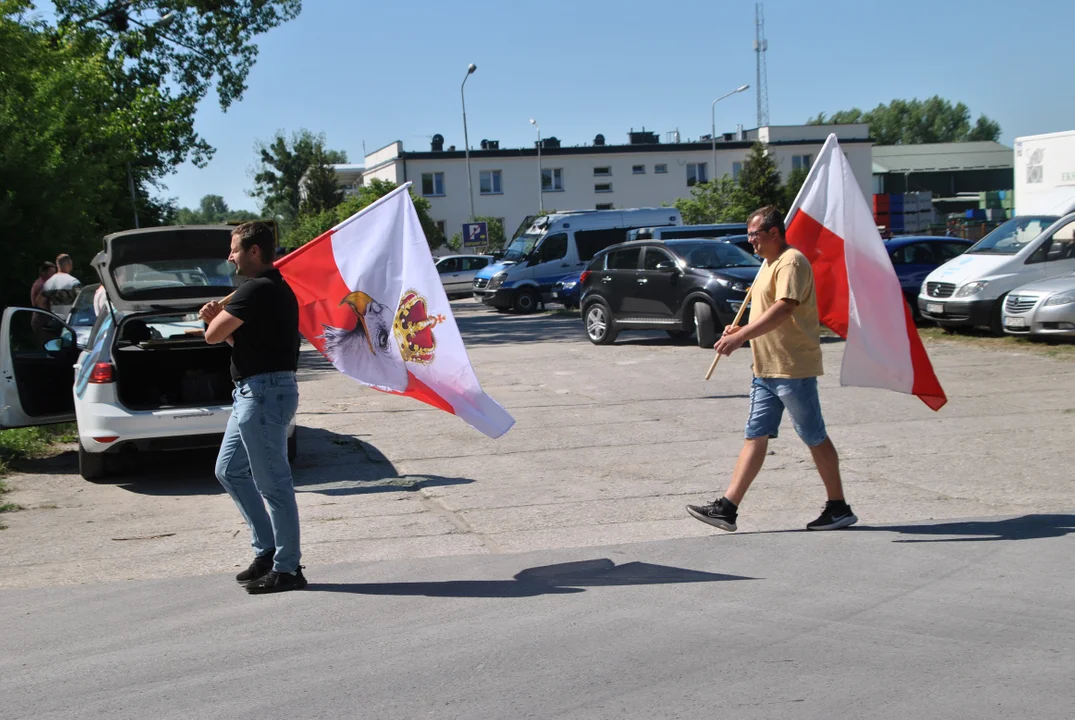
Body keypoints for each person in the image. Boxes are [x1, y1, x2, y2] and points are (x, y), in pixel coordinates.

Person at [686, 206, 858, 533]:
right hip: (765, 368)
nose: (750, 241)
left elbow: (784, 308)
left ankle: (838, 507)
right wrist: (737, 332)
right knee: (755, 435)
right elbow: (763, 311)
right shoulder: (767, 263)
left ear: (775, 233)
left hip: (791, 367)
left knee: (814, 435)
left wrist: (741, 338)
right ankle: (727, 508)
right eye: (749, 234)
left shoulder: (792, 262)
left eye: (755, 234)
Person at [199, 222, 305, 594]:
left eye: (234, 250)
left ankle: (288, 568)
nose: (230, 256)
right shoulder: (270, 289)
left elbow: (212, 336)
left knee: (273, 484)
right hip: (256, 391)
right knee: (229, 470)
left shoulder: (255, 290)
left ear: (254, 252)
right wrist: (220, 322)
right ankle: (267, 551)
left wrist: (212, 318)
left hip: (263, 394)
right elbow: (241, 345)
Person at [39, 254, 81, 320]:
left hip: (55, 320)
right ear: (69, 264)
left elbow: (39, 302)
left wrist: (49, 315)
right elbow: (82, 301)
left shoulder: (49, 282)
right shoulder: (73, 282)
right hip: (70, 321)